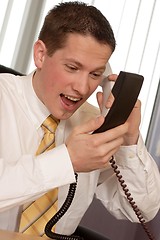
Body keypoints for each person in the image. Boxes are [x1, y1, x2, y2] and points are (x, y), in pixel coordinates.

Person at [0, 1, 160, 240]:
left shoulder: (92, 125)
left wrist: (128, 138)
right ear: (41, 55)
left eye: (96, 74)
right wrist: (67, 161)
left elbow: (141, 210)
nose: (83, 87)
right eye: (72, 67)